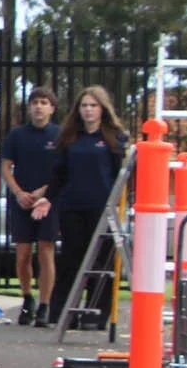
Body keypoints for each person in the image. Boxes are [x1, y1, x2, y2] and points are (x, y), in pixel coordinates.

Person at [33, 86, 131, 329]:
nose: (88, 110)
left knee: (101, 262)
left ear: (102, 109)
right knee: (71, 260)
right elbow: (59, 174)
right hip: (73, 207)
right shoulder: (69, 138)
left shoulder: (114, 138)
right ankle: (62, 312)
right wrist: (48, 197)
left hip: (103, 209)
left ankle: (96, 314)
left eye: (93, 106)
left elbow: (124, 175)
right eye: (84, 106)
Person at [0, 87, 61, 326]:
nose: (39, 106)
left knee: (46, 250)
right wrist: (18, 193)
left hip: (47, 201)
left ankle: (45, 305)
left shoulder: (59, 134)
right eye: (35, 102)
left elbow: (62, 171)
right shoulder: (17, 135)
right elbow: (5, 167)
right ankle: (27, 299)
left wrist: (43, 192)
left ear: (52, 108)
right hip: (21, 201)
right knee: (23, 252)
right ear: (29, 107)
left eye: (44, 102)